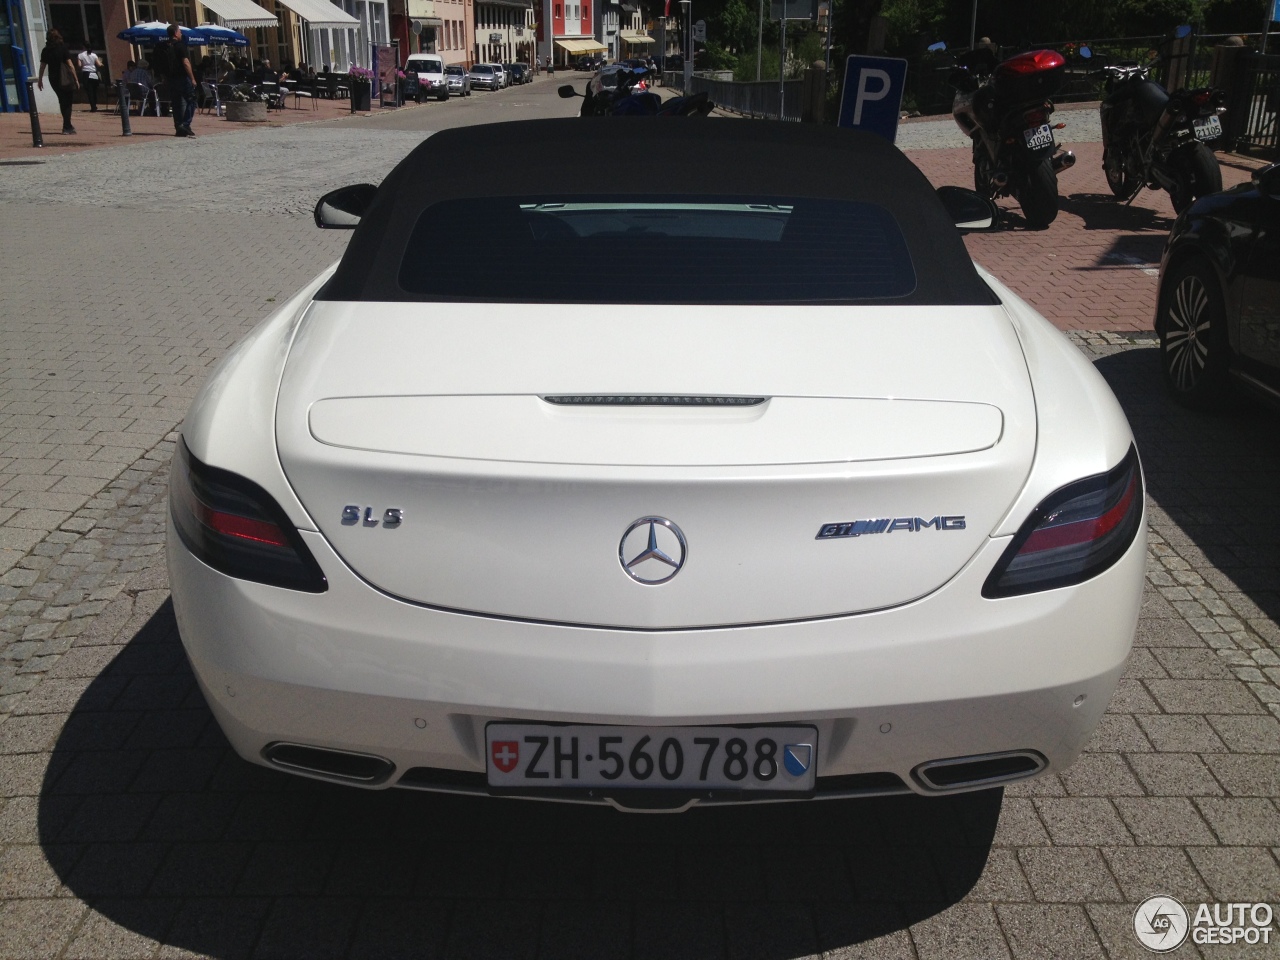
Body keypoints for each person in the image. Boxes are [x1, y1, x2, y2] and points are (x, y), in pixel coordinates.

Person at [156, 23, 197, 138]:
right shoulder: (180, 46)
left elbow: (160, 64)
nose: (181, 33)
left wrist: (163, 77)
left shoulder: (163, 46)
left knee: (176, 104)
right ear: (175, 33)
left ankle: (179, 127)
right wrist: (192, 78)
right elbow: (186, 62)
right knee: (192, 100)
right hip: (182, 78)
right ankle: (185, 124)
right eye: (180, 31)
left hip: (170, 79)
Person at [37, 28, 79, 134]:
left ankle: (67, 125)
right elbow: (70, 65)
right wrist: (76, 79)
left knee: (62, 100)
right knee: (68, 102)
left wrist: (40, 79)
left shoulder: (46, 50)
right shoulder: (63, 48)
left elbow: (42, 66)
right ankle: (67, 126)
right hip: (65, 77)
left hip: (54, 78)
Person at [77, 43, 103, 112]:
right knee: (94, 90)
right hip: (94, 73)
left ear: (83, 47)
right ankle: (95, 104)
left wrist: (83, 65)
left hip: (86, 74)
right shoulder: (94, 55)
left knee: (89, 91)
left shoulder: (80, 55)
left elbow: (79, 65)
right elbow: (99, 64)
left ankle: (93, 106)